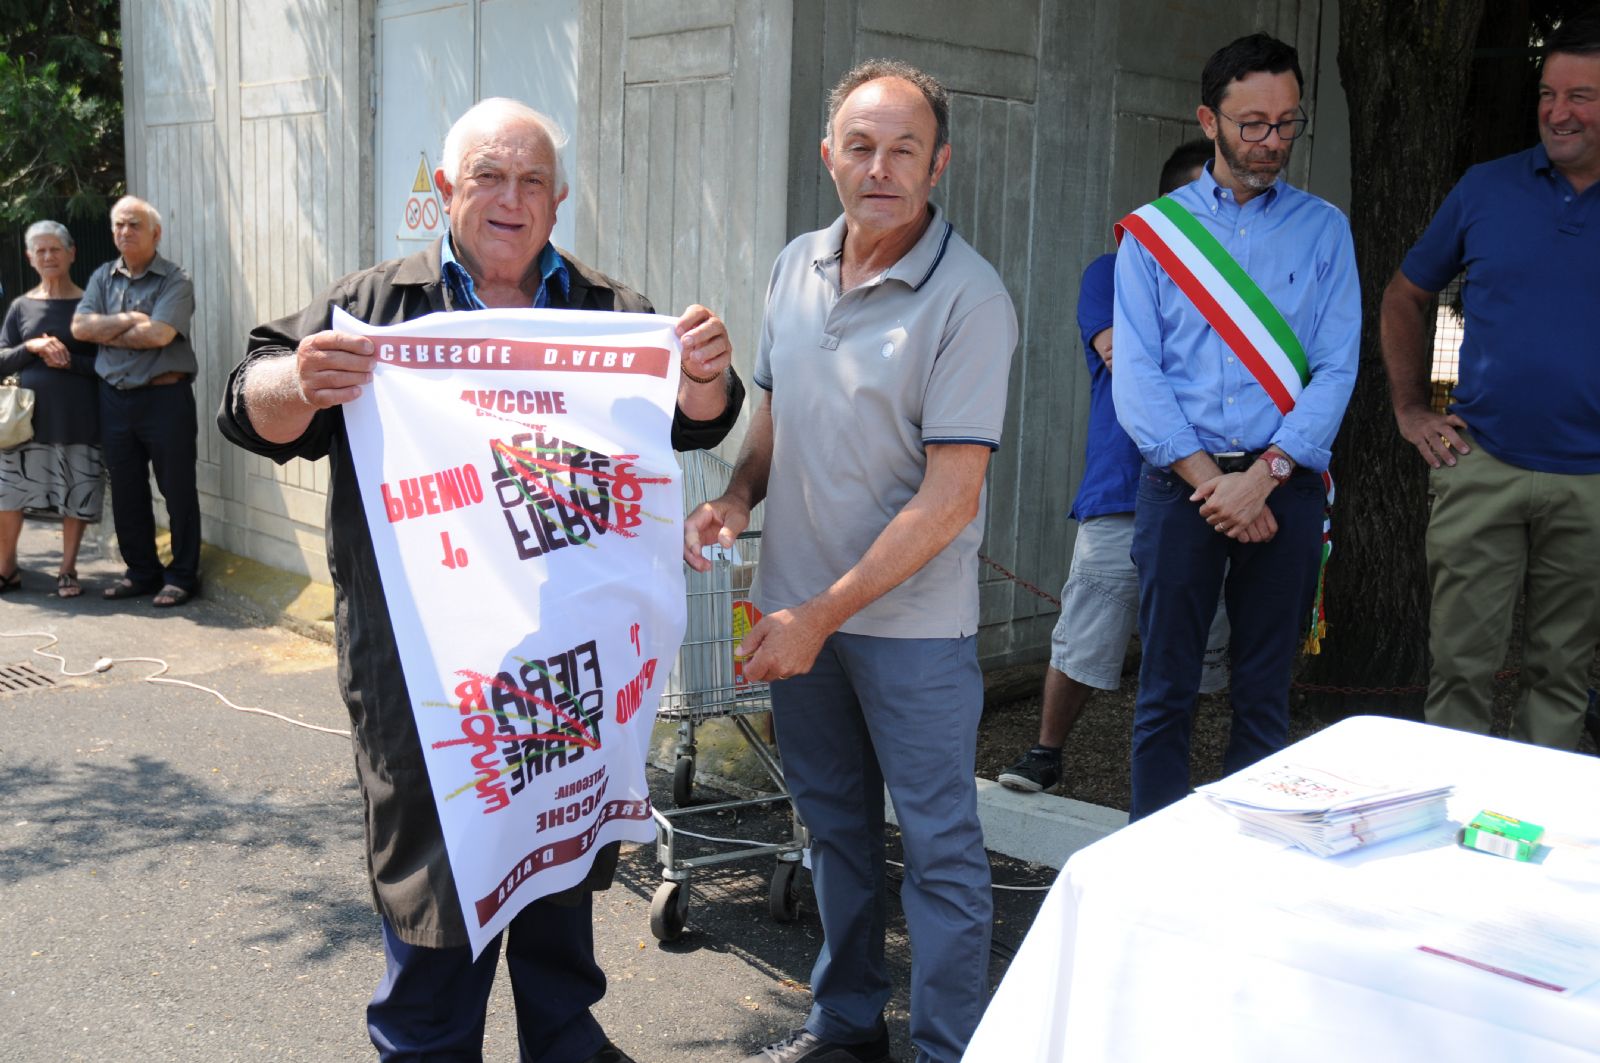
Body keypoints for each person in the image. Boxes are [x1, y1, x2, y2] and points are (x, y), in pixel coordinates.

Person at [219, 98, 742, 1063]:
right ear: (444, 190)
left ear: (558, 200)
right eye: (488, 177)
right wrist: (300, 380)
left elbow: (696, 419)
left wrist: (704, 375)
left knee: (560, 889)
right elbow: (248, 404)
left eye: (532, 180)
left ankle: (565, 1043)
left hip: (568, 674)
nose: (511, 198)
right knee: (436, 911)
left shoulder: (609, 314)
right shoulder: (378, 308)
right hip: (432, 689)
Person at [686, 60, 1017, 1063]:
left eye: (904, 149)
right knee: (833, 831)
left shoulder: (970, 299)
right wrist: (735, 497)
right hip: (797, 617)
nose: (881, 168)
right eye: (861, 146)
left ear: (938, 163)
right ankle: (846, 1025)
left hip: (909, 630)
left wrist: (820, 614)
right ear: (828, 153)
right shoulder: (796, 265)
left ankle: (947, 1047)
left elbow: (949, 497)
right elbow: (774, 418)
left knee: (941, 852)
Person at [1112, 33, 1359, 821]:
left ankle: (1257, 857)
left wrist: (1264, 476)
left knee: (1263, 693)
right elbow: (1139, 374)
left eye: (1287, 123)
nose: (1272, 142)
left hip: (1284, 483)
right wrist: (1214, 484)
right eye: (1252, 124)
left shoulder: (1324, 229)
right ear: (1208, 120)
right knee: (1165, 690)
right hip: (1181, 484)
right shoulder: (1153, 234)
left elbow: (1337, 367)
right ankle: (1151, 854)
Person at [1381, 13, 1600, 751]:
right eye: (1548, 93)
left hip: (1593, 483)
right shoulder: (1487, 188)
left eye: (1581, 96)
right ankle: (1451, 817)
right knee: (1459, 673)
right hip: (1483, 464)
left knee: (1562, 677)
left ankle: (1534, 822)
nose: (1557, 112)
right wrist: (1412, 408)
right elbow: (1405, 294)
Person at [998, 140, 1229, 795]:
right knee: (1086, 629)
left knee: (1199, 640)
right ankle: (1045, 752)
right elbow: (1124, 356)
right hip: (1123, 486)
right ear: (1166, 206)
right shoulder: (1113, 270)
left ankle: (1179, 770)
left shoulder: (1239, 287)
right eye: (1201, 199)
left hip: (1216, 491)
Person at [71, 196, 201, 608]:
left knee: (177, 489)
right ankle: (141, 572)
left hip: (165, 398)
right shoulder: (102, 277)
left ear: (155, 233)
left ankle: (182, 576)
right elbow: (79, 328)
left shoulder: (175, 279)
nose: (125, 232)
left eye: (134, 225)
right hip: (114, 398)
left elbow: (160, 334)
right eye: (119, 225)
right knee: (126, 489)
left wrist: (105, 330)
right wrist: (130, 320)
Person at [0, 221, 104, 597]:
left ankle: (67, 569)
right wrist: (32, 347)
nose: (48, 256)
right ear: (30, 258)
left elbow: (109, 364)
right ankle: (6, 567)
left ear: (71, 253)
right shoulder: (21, 307)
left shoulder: (91, 306)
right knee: (9, 495)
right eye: (40, 251)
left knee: (77, 494)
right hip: (25, 422)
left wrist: (70, 361)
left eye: (55, 249)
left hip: (79, 417)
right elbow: (2, 359)